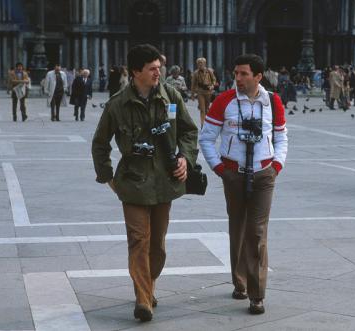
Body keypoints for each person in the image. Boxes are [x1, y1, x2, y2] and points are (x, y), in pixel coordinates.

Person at [91, 44, 198, 322]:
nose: (157, 72)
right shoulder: (117, 103)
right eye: (152, 68)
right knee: (139, 240)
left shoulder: (171, 96)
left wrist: (185, 158)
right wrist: (108, 178)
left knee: (157, 246)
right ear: (136, 71)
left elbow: (188, 131)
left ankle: (148, 286)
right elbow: (100, 144)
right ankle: (142, 300)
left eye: (159, 68)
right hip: (133, 182)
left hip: (165, 181)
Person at [199, 54, 288, 315]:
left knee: (257, 232)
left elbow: (282, 137)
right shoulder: (224, 100)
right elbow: (206, 138)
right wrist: (220, 169)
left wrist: (276, 167)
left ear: (258, 76)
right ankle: (239, 282)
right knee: (237, 227)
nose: (237, 78)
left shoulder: (273, 101)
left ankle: (256, 294)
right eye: (236, 73)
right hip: (233, 174)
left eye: (244, 74)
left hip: (264, 174)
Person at [191, 57, 217, 127]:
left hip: (208, 92)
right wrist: (192, 95)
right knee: (202, 109)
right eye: (198, 63)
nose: (200, 65)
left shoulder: (209, 71)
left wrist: (212, 85)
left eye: (201, 63)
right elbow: (193, 84)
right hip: (200, 92)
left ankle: (208, 122)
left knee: (207, 109)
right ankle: (203, 124)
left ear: (204, 64)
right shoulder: (196, 73)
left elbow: (214, 80)